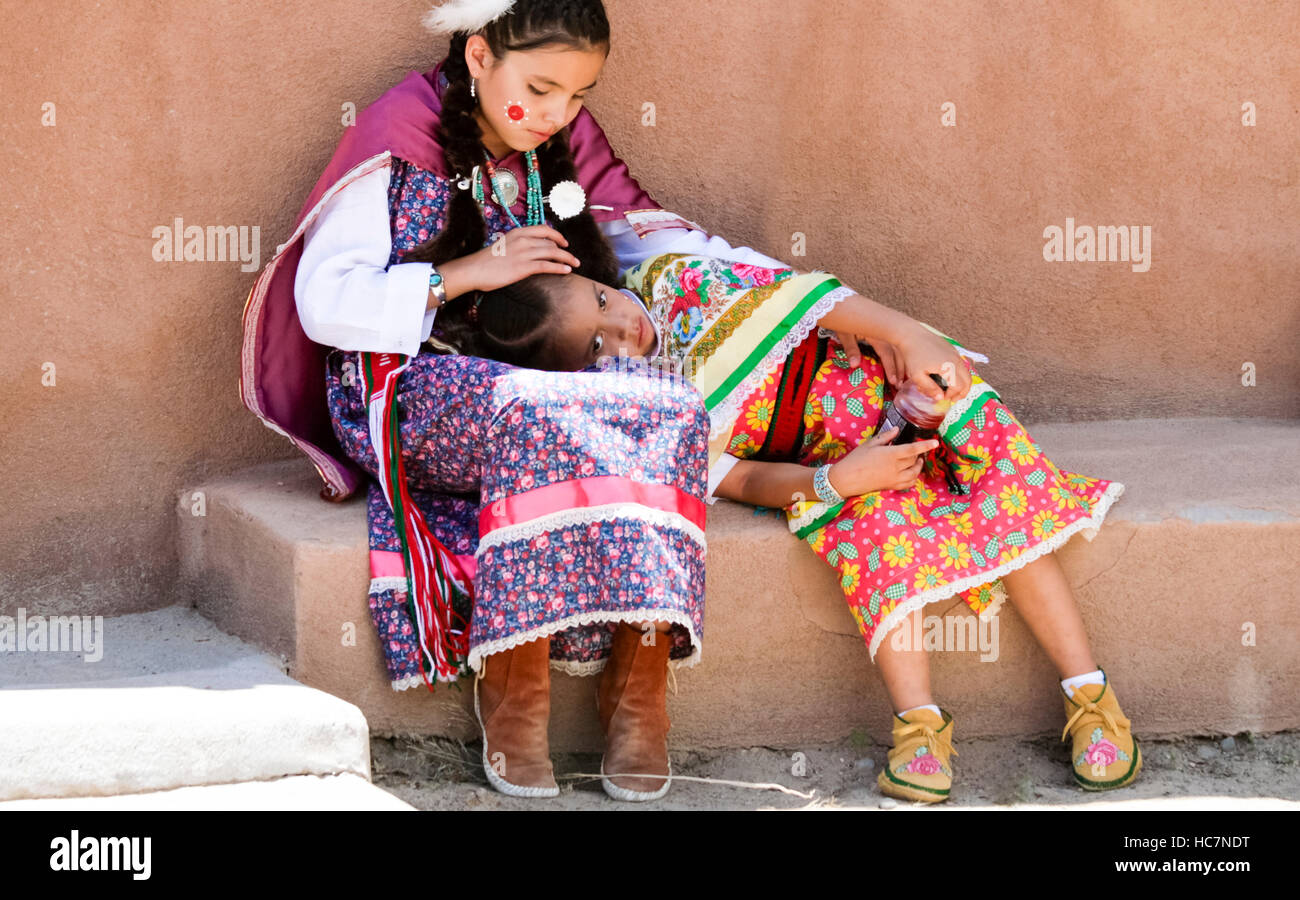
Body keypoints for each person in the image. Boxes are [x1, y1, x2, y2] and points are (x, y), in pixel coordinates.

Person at [238, 0, 796, 802]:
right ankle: (513, 684)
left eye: (576, 96)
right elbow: (325, 303)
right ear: (476, 57)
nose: (555, 116)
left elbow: (645, 234)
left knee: (668, 407)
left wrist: (786, 297)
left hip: (538, 382)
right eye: (538, 89)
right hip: (409, 383)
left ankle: (639, 688)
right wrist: (471, 272)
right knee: (535, 412)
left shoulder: (558, 149)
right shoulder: (404, 132)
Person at [435, 253, 1141, 803]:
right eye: (597, 348)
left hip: (911, 384)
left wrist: (906, 334)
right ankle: (920, 727)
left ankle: (1091, 698)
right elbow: (740, 479)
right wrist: (839, 482)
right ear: (582, 379)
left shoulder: (677, 281)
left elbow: (813, 298)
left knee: (1004, 509)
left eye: (601, 303)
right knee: (875, 543)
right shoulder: (653, 407)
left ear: (594, 276)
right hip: (848, 460)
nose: (625, 329)